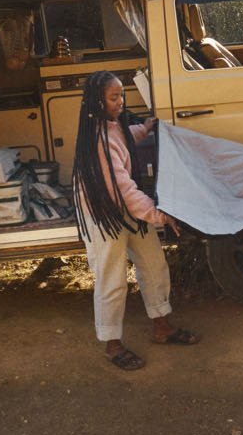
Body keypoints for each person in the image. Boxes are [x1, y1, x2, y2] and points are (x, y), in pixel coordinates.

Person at [73, 70, 199, 370]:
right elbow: (124, 190)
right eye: (114, 97)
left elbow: (128, 138)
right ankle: (112, 344)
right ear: (97, 102)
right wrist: (159, 215)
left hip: (127, 210)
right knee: (112, 280)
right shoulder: (98, 141)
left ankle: (162, 327)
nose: (120, 102)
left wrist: (147, 128)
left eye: (122, 95)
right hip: (105, 215)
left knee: (154, 265)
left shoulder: (113, 127)